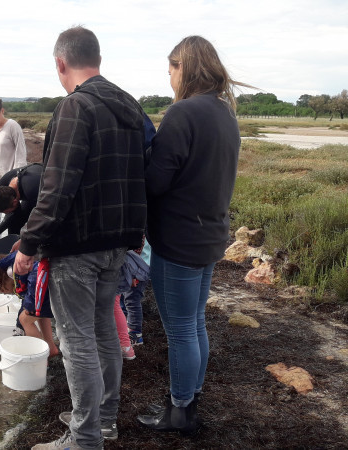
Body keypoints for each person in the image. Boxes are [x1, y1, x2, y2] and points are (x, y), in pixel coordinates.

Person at [19, 26, 147, 449]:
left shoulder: (76, 106)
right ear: (98, 58)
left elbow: (57, 188)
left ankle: (84, 437)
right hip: (118, 243)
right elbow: (140, 177)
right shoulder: (128, 104)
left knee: (77, 343)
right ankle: (100, 419)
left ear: (60, 62)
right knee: (103, 334)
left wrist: (28, 243)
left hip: (78, 247)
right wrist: (135, 234)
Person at [137, 36, 244, 434]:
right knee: (194, 322)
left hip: (179, 239)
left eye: (171, 69)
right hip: (210, 236)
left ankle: (180, 412)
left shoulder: (183, 113)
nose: (169, 78)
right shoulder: (224, 112)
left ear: (186, 67)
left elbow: (156, 181)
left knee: (181, 328)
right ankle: (189, 400)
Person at [0, 252, 60, 357]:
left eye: (0, 291)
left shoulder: (15, 270)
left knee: (24, 319)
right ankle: (50, 348)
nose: (5, 293)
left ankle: (39, 358)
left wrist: (30, 305)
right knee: (37, 314)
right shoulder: (15, 269)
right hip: (49, 285)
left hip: (47, 286)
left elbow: (35, 275)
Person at [0, 97, 27, 235]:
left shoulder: (13, 126)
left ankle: (10, 243)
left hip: (10, 181)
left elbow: (21, 153)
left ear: (2, 110)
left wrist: (17, 179)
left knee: (10, 214)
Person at [0, 163, 43, 247]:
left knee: (29, 223)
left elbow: (38, 219)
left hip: (46, 185)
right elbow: (13, 214)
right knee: (14, 220)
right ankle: (13, 249)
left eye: (6, 212)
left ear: (14, 202)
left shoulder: (32, 192)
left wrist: (24, 240)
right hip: (29, 186)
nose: (6, 214)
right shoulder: (4, 183)